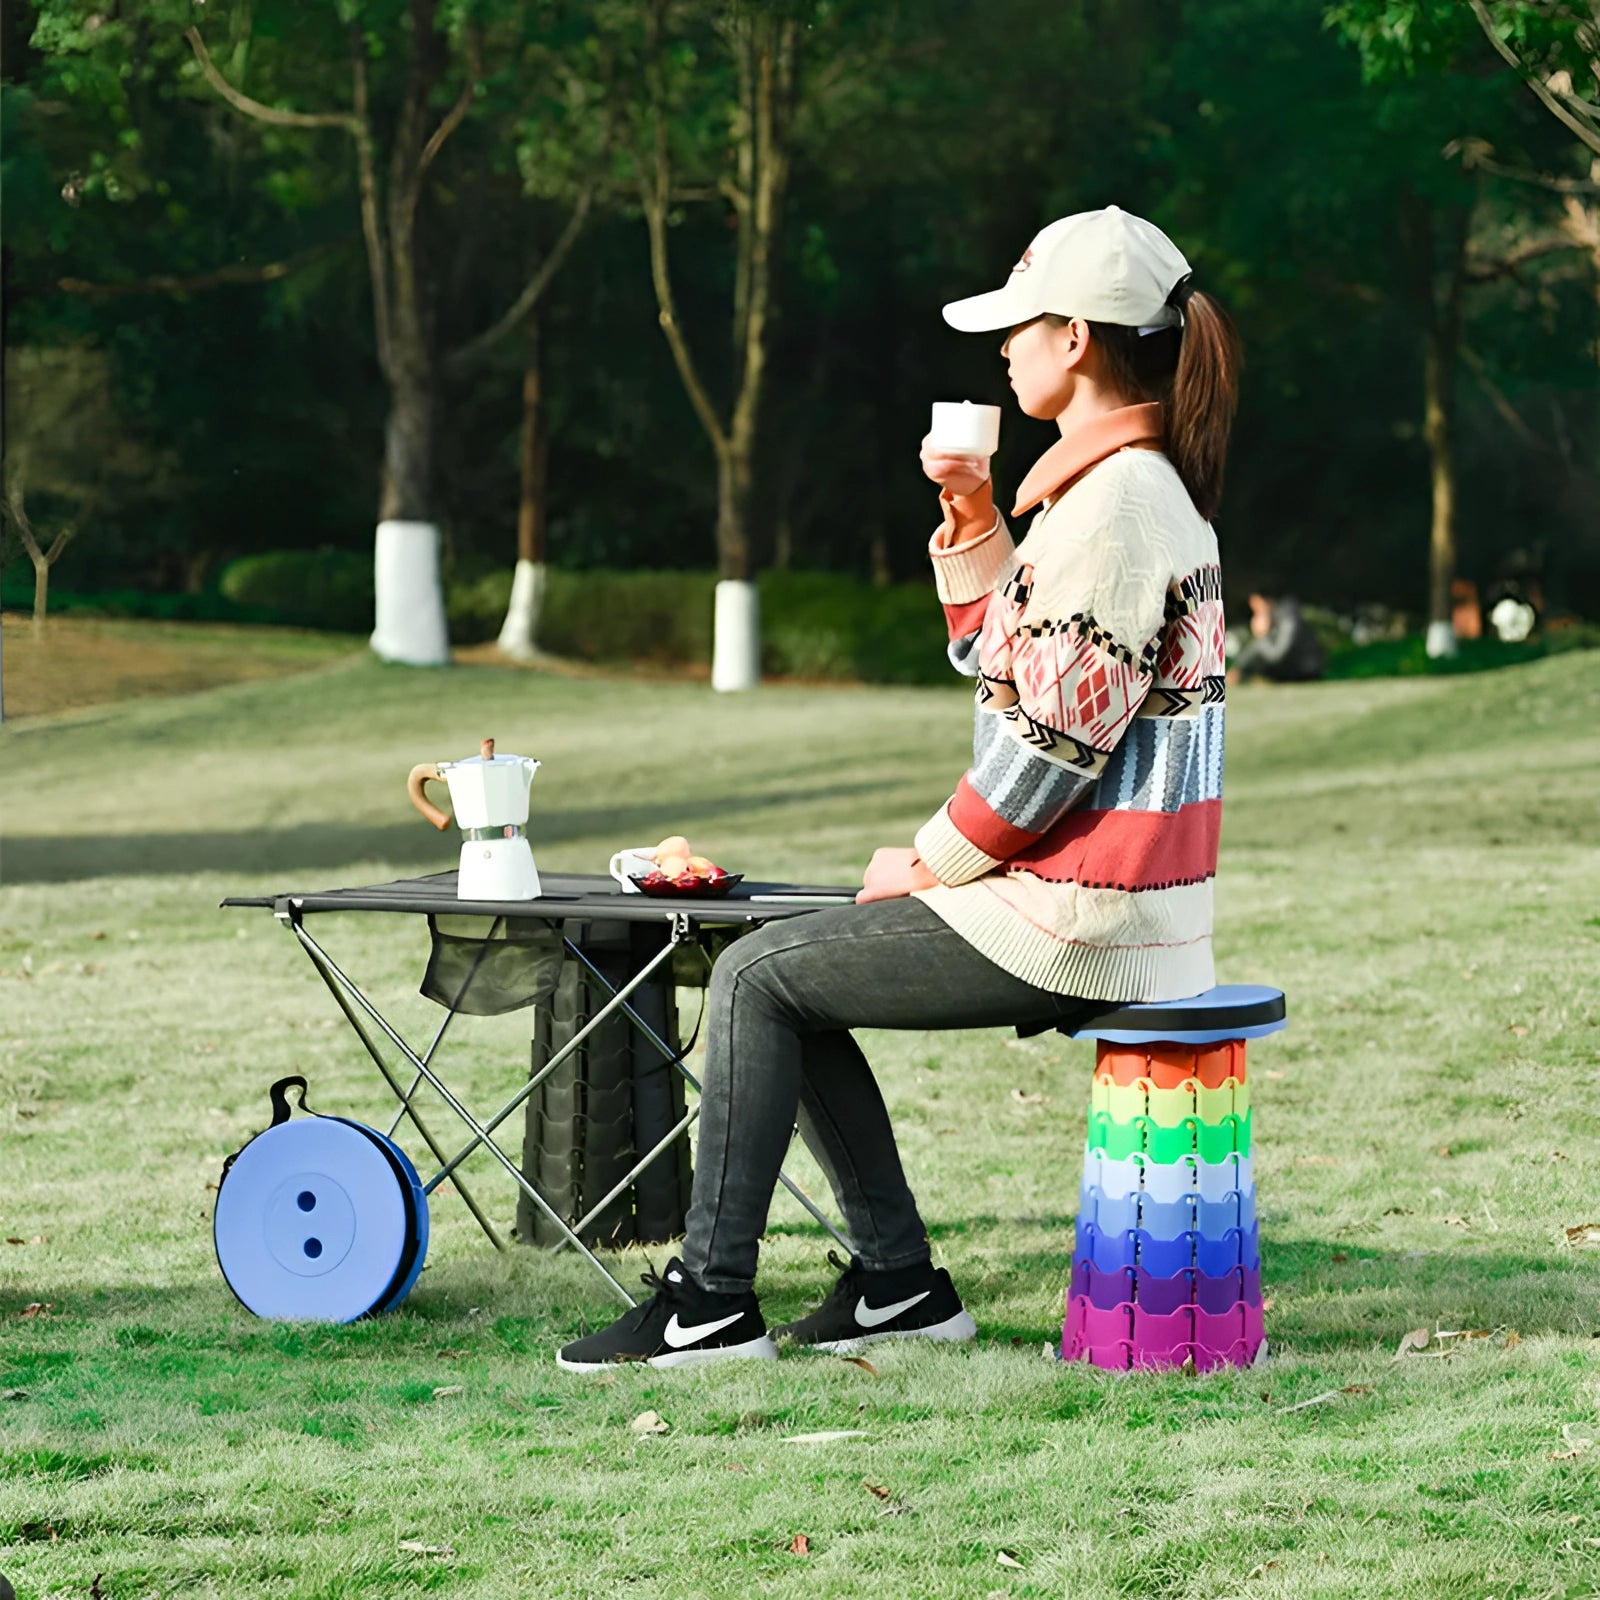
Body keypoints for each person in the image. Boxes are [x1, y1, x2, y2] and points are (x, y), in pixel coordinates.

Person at [556, 206, 1240, 1371]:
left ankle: (711, 1300)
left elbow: (1045, 758)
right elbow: (1006, 672)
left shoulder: (1119, 507)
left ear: (1073, 338)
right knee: (786, 961)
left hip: (1086, 913)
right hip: (1090, 895)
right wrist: (974, 520)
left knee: (758, 973)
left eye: (1016, 327)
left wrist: (928, 863)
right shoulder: (1106, 496)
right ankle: (895, 1286)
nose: (1003, 349)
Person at [1228, 592, 1324, 683]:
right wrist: (1238, 668)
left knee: (1259, 650)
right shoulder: (1277, 618)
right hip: (1293, 668)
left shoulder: (1288, 618)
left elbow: (1277, 656)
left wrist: (1262, 635)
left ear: (1267, 601)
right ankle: (1237, 673)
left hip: (1304, 671)